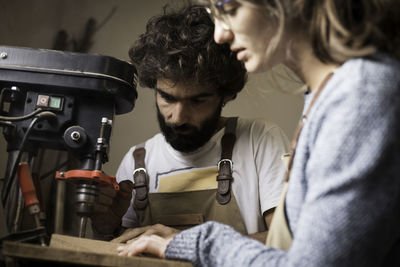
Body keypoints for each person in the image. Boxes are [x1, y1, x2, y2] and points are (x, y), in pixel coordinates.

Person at [116, 0, 400, 266]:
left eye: (229, 7)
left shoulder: (359, 94)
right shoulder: (323, 97)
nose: (220, 34)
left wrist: (194, 241)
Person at [91, 5, 289, 244]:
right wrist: (106, 228)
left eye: (197, 100)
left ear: (225, 95)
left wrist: (185, 243)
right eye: (167, 98)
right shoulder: (136, 161)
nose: (179, 117)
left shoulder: (261, 140)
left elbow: (286, 243)